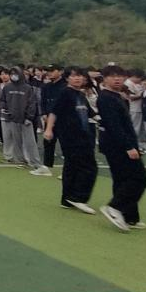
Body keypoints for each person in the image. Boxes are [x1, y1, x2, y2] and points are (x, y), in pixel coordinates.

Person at [94, 65, 146, 231]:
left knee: (122, 179)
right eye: (112, 76)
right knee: (139, 178)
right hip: (117, 145)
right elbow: (114, 125)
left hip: (120, 143)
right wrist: (129, 147)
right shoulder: (106, 98)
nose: (117, 79)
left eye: (120, 76)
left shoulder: (117, 96)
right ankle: (115, 207)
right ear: (104, 79)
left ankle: (129, 216)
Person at [43, 67, 98, 214]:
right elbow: (54, 112)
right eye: (74, 76)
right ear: (67, 78)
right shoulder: (65, 93)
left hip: (83, 135)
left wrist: (104, 121)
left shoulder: (80, 94)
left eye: (80, 76)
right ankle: (79, 197)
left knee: (71, 167)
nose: (78, 78)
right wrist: (48, 129)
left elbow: (91, 113)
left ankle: (67, 199)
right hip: (71, 136)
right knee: (89, 167)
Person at [0, 67, 50, 175]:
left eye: (15, 73)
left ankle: (37, 164)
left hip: (25, 120)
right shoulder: (7, 87)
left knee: (30, 142)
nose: (13, 76)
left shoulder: (27, 88)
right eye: (12, 73)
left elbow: (32, 103)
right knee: (17, 141)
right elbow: (3, 100)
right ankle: (21, 160)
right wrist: (5, 108)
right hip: (13, 118)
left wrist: (29, 117)